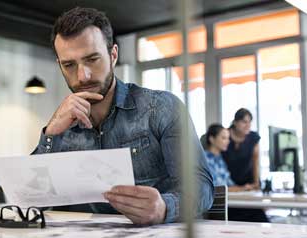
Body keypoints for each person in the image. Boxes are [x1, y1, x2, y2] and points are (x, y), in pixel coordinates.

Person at [31, 7, 214, 225]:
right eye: (69, 65)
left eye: (92, 59)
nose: (82, 76)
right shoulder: (61, 124)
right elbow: (32, 200)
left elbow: (202, 187)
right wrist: (50, 134)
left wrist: (164, 207)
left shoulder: (161, 108)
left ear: (113, 54)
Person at [222, 108, 268, 222]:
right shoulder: (224, 136)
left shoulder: (253, 137)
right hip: (230, 182)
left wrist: (256, 182)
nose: (247, 125)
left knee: (257, 215)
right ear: (235, 122)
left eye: (249, 122)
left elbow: (255, 160)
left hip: (248, 182)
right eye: (244, 122)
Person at [204, 123, 255, 192]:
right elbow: (217, 188)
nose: (228, 142)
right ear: (212, 139)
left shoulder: (220, 159)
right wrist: (242, 188)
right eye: (224, 138)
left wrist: (244, 187)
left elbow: (228, 183)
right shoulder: (205, 159)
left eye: (228, 138)